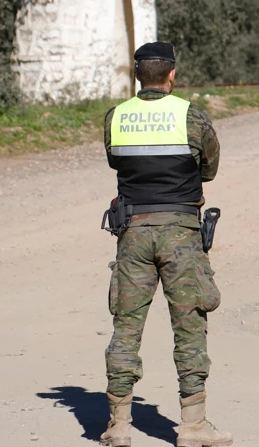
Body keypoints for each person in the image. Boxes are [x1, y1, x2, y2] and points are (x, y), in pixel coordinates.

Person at [100, 42, 232, 447]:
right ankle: (193, 426)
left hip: (133, 232)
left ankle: (119, 425)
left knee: (126, 326)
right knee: (189, 324)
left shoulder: (116, 117)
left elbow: (115, 161)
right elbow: (209, 168)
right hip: (181, 235)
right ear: (171, 74)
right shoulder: (190, 116)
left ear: (138, 75)